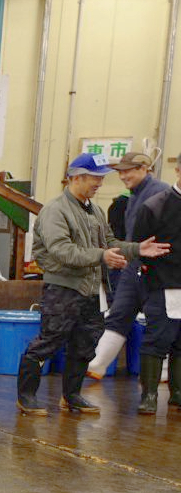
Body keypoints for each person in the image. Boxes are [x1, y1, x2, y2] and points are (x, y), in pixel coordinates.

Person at [19, 153, 168, 416]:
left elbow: (110, 242)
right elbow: (62, 250)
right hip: (63, 288)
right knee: (49, 341)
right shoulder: (55, 210)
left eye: (101, 178)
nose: (99, 183)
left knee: (85, 342)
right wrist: (102, 256)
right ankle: (27, 396)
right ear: (76, 177)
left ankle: (72, 396)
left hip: (91, 289)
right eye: (95, 178)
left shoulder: (95, 210)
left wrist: (137, 249)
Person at [87, 152, 172, 382]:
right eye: (121, 171)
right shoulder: (134, 195)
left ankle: (163, 374)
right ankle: (99, 364)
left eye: (129, 170)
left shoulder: (162, 193)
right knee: (119, 313)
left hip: (158, 269)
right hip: (133, 264)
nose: (123, 175)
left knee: (159, 321)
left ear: (145, 168)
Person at [135, 179, 181, 412]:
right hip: (164, 285)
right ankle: (149, 395)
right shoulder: (155, 206)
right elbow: (139, 246)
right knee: (157, 340)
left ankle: (178, 392)